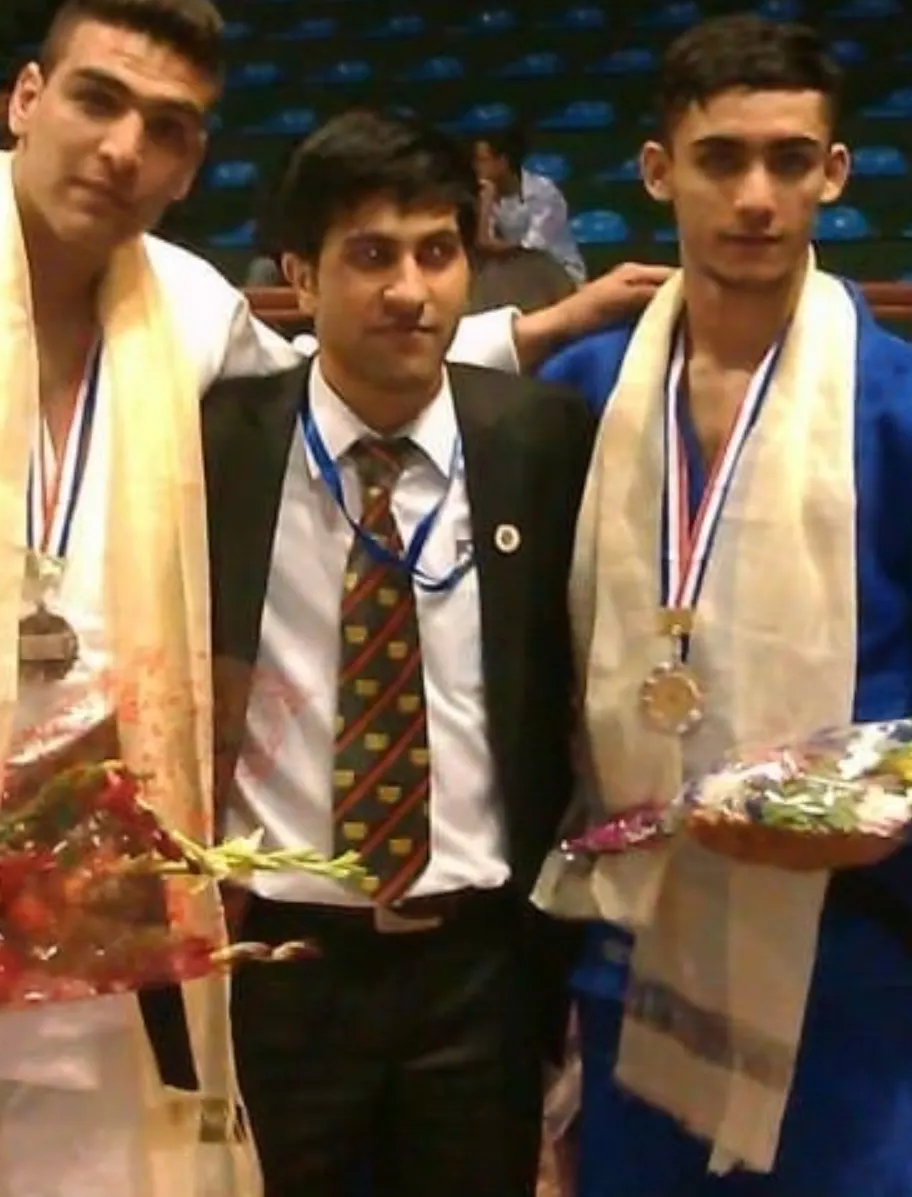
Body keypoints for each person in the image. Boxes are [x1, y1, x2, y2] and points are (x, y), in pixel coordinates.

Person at [0, 0, 663, 1197]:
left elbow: (332, 392)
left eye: (167, 129)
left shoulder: (187, 307)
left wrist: (522, 332)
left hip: (94, 908)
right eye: (97, 102)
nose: (122, 149)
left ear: (191, 159)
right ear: (24, 97)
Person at [532, 13, 912, 1197]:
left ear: (835, 172)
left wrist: (883, 817)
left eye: (790, 160)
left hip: (849, 944)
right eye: (722, 160)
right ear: (659, 169)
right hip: (631, 925)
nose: (757, 197)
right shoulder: (574, 401)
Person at [203, 110, 594, 1197]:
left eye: (437, 252)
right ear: (299, 275)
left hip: (479, 960)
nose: (411, 291)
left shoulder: (540, 440)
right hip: (280, 958)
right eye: (370, 256)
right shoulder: (217, 443)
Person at [475, 125, 583, 285]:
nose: (476, 167)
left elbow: (532, 249)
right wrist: (485, 202)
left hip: (559, 270)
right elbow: (482, 244)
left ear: (502, 162)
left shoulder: (543, 192)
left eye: (482, 160)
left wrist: (491, 244)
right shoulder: (487, 194)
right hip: (519, 273)